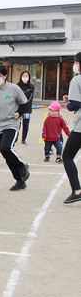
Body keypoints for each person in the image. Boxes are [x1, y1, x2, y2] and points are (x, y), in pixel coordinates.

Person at [0, 65, 30, 191]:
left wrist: (19, 113)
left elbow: (25, 103)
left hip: (11, 123)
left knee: (6, 147)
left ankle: (22, 166)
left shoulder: (14, 89)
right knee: (6, 154)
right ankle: (19, 180)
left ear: (5, 77)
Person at [62, 52, 81, 204]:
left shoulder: (77, 80)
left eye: (76, 61)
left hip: (80, 128)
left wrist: (69, 103)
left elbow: (75, 105)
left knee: (67, 156)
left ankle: (77, 190)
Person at [17, 71, 34, 145]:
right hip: (18, 108)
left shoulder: (31, 87)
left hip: (27, 108)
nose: (25, 77)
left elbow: (30, 98)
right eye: (24, 75)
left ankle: (23, 139)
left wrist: (25, 105)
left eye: (26, 75)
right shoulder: (17, 86)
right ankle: (15, 138)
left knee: (26, 125)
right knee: (17, 124)